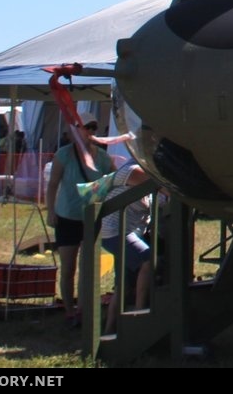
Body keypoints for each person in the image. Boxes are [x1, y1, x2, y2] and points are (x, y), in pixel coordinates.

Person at [45, 120, 116, 326]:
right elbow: (53, 184)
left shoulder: (103, 157)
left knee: (89, 268)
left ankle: (83, 311)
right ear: (75, 131)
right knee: (68, 268)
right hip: (66, 217)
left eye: (94, 127)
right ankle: (69, 310)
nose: (91, 131)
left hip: (91, 218)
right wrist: (51, 211)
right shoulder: (64, 154)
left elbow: (113, 182)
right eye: (87, 127)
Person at [99, 161, 154, 333]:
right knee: (148, 259)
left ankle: (109, 329)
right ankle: (139, 314)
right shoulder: (131, 171)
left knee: (122, 284)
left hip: (128, 232)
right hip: (114, 231)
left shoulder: (149, 176)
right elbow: (168, 189)